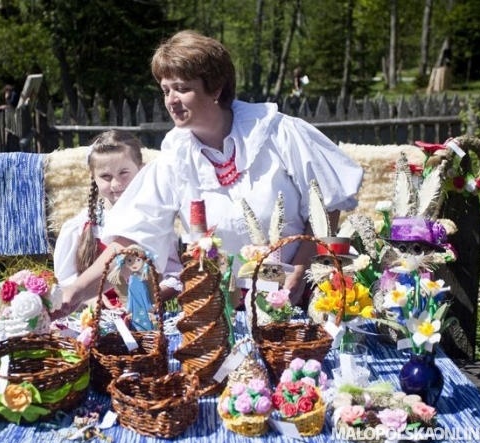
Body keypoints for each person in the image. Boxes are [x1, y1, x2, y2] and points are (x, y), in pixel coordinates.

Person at [53, 30, 363, 318]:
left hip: (302, 294)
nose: (171, 100)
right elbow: (131, 237)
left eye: (182, 89)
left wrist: (299, 269)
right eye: (165, 90)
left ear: (215, 87)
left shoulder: (277, 133)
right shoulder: (175, 157)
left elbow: (330, 202)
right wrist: (76, 291)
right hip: (222, 305)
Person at [52, 130, 182, 310]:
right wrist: (89, 300)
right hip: (94, 319)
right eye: (106, 177)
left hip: (144, 319)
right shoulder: (79, 226)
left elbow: (174, 276)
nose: (116, 184)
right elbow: (67, 282)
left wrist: (148, 299)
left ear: (141, 170)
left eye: (124, 173)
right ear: (93, 177)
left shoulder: (152, 223)